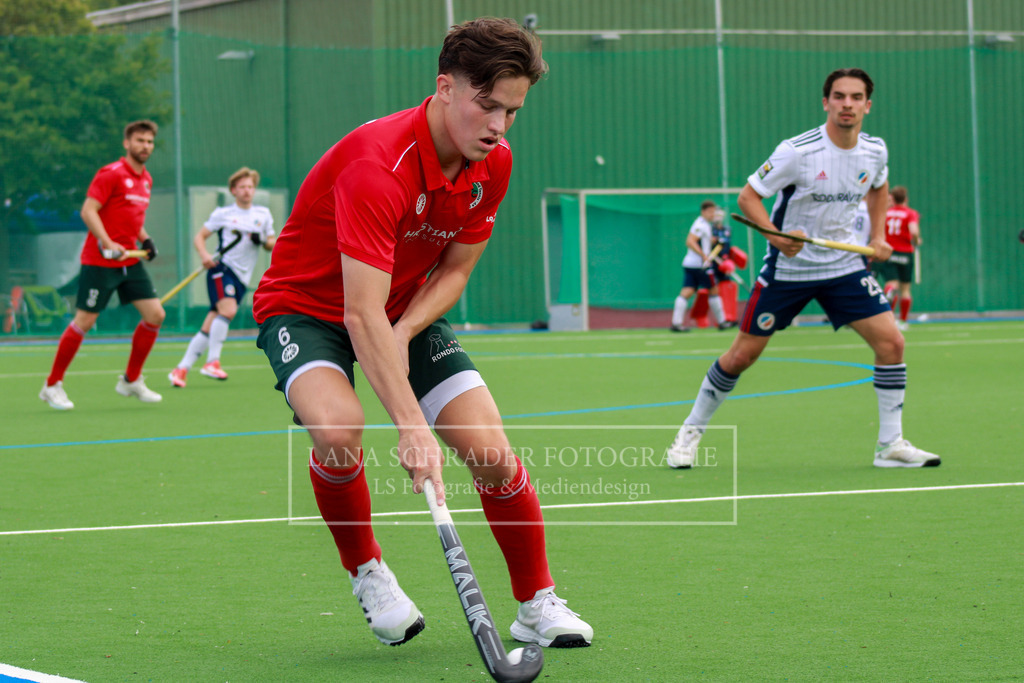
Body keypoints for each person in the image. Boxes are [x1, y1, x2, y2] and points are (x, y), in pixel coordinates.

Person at [252, 18, 592, 650]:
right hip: (308, 309)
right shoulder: (378, 166)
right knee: (336, 427)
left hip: (404, 307)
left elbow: (457, 269)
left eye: (512, 111)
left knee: (489, 450)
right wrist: (411, 427)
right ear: (444, 87)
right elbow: (358, 315)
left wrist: (406, 330)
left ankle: (535, 603)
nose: (498, 125)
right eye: (486, 105)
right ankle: (369, 571)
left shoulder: (495, 163)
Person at [665, 68, 940, 470]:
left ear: (868, 104)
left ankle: (890, 445)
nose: (848, 104)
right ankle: (689, 434)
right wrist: (776, 237)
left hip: (844, 266)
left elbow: (879, 186)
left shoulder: (875, 150)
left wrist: (878, 235)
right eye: (840, 96)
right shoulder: (798, 151)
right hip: (788, 271)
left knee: (892, 344)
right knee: (742, 356)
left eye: (856, 97)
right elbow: (748, 197)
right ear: (826, 102)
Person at [39, 120, 165, 410]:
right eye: (140, 141)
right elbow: (88, 210)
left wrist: (145, 239)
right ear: (127, 143)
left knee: (155, 314)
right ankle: (52, 385)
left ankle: (131, 380)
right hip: (99, 260)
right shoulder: (111, 174)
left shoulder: (146, 179)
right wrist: (108, 243)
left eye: (149, 142)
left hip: (129, 260)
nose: (145, 146)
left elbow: (132, 218)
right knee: (85, 321)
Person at [169, 167, 276, 387]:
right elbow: (200, 237)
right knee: (228, 311)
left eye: (250, 187)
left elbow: (272, 243)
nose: (247, 191)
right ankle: (212, 362)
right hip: (222, 269)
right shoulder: (223, 214)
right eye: (242, 187)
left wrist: (262, 241)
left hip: (241, 277)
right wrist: (205, 255)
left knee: (212, 321)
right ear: (233, 190)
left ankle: (181, 369)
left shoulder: (263, 215)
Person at [670, 200, 735, 331]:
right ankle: (722, 322)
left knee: (687, 291)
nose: (713, 214)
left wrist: (712, 241)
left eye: (714, 212)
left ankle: (676, 323)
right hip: (700, 265)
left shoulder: (705, 224)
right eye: (711, 212)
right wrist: (703, 255)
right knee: (713, 290)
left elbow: (701, 241)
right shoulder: (700, 224)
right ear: (704, 211)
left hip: (691, 264)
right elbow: (690, 241)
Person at [878, 186, 921, 330]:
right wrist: (916, 240)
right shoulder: (910, 213)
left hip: (890, 252)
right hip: (906, 253)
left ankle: (888, 316)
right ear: (906, 199)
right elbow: (913, 230)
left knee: (891, 284)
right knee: (905, 289)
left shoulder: (886, 213)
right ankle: (903, 321)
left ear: (893, 198)